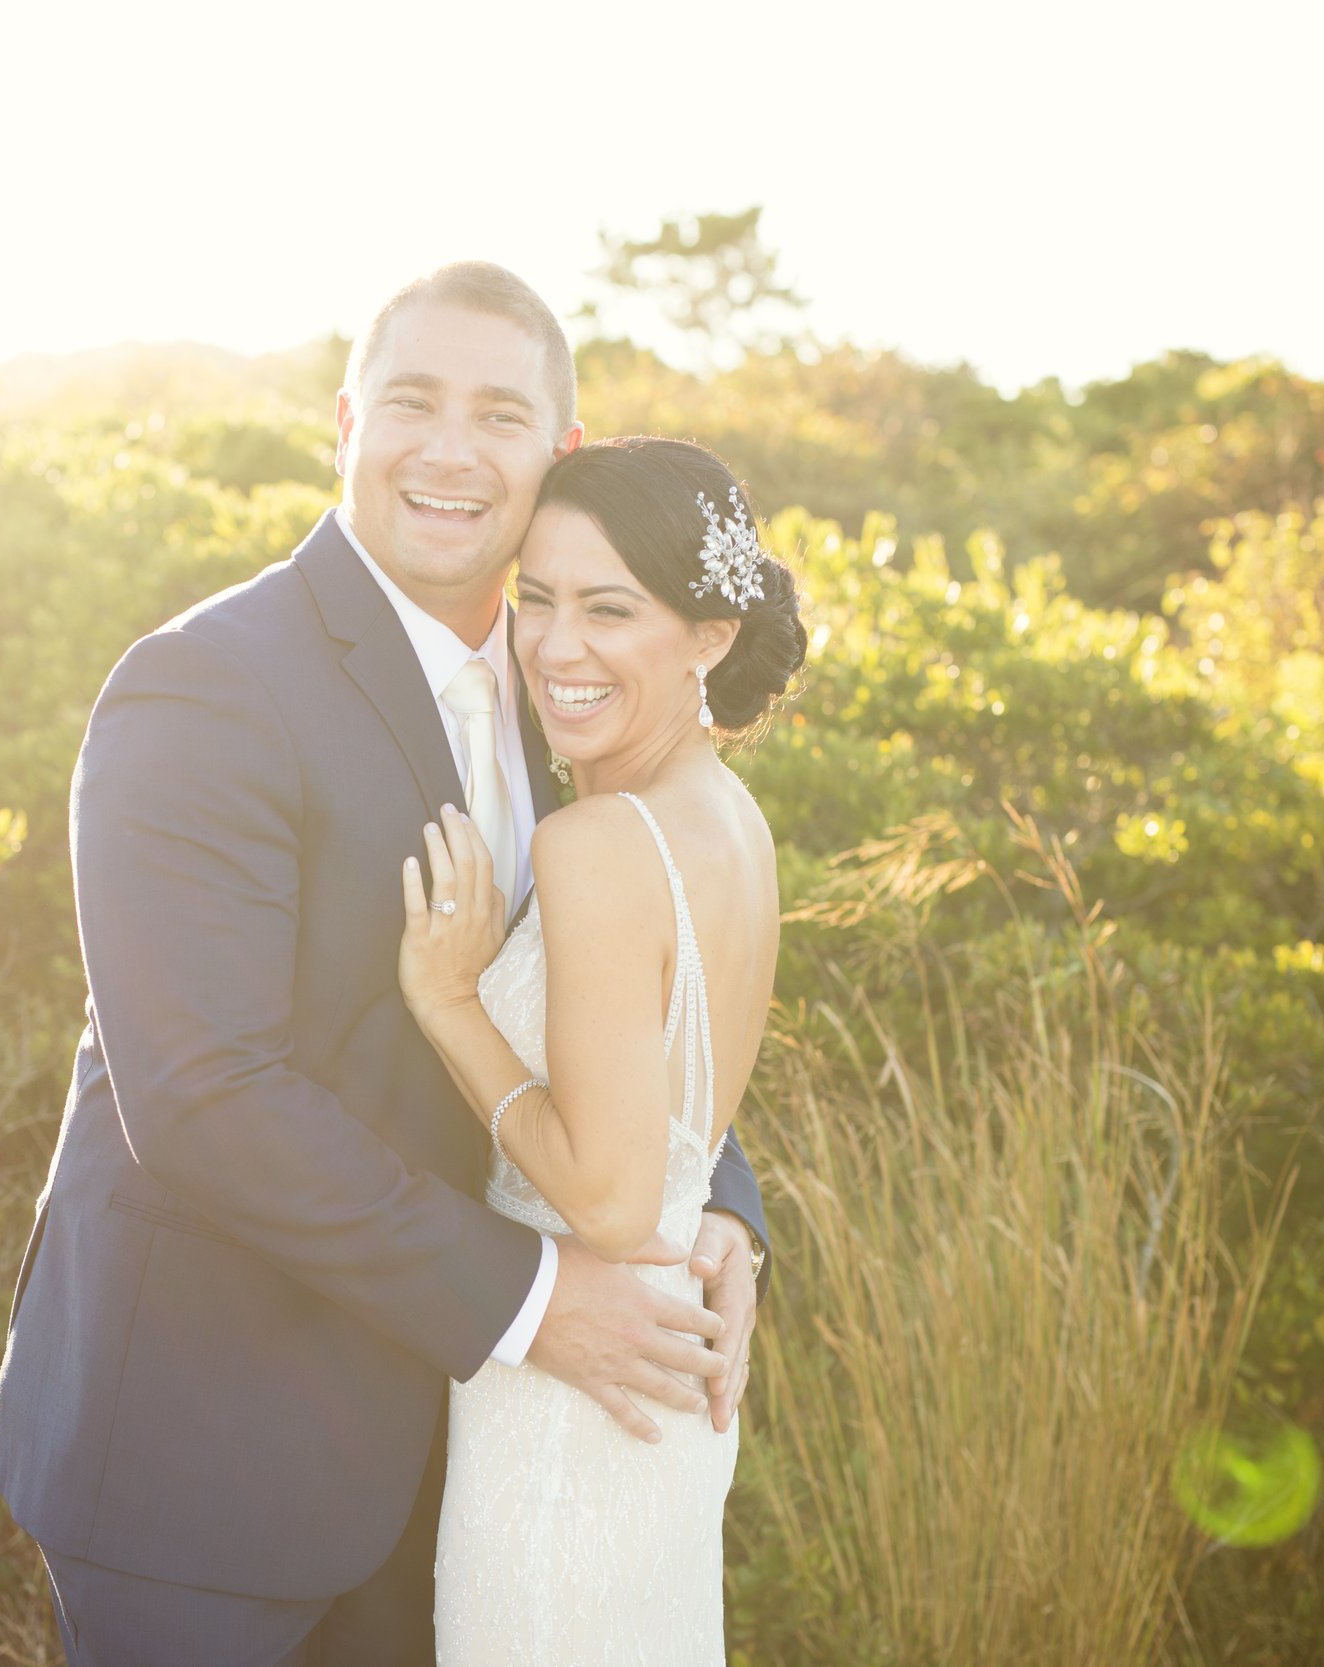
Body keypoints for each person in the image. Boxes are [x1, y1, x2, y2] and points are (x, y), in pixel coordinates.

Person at [0, 262, 774, 1666]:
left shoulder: (570, 686)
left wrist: (715, 1200)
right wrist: (536, 1302)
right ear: (346, 419)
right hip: (207, 1460)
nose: (451, 449)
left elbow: (638, 974)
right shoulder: (202, 686)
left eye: (499, 414)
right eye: (411, 401)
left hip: (449, 1463)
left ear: (559, 453)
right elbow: (205, 1093)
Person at [399, 437, 803, 1665]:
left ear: (710, 635)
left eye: (608, 608)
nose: (555, 646)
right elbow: (677, 1128)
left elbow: (618, 1199)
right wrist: (728, 1223)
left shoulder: (602, 843)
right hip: (657, 1382)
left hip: (573, 1405)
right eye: (537, 598)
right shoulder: (731, 817)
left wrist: (450, 1000)